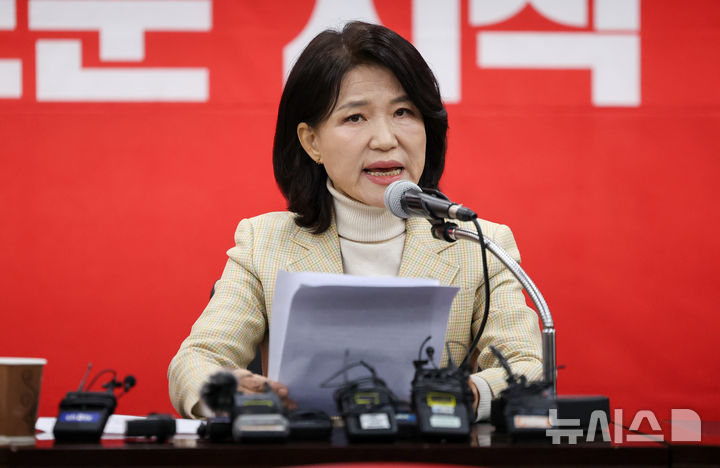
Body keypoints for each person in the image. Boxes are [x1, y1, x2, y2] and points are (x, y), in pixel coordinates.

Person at [168, 21, 542, 420]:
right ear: (312, 141)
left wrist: (470, 393)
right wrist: (228, 393)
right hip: (308, 449)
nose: (385, 139)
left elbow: (529, 366)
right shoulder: (265, 242)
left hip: (429, 449)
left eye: (403, 112)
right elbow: (196, 361)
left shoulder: (477, 244)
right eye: (355, 118)